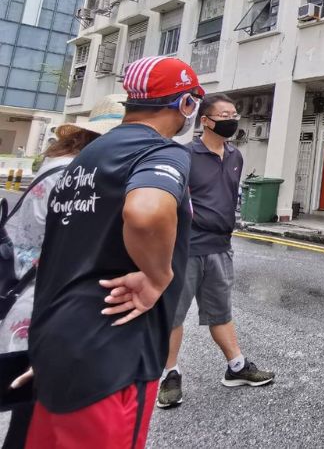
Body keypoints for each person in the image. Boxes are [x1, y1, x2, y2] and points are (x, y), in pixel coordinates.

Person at [24, 56, 203, 449]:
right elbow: (146, 211)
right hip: (113, 354)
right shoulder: (162, 152)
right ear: (185, 104)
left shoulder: (84, 158)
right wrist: (158, 275)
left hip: (56, 340)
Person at [0, 96, 124, 449]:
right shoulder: (80, 175)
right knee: (41, 410)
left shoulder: (57, 164)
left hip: (25, 294)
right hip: (48, 301)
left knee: (31, 411)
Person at [157, 93, 273, 409]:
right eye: (224, 114)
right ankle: (169, 375)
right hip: (187, 248)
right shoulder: (183, 155)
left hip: (221, 247)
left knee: (220, 312)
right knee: (174, 316)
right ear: (205, 120)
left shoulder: (235, 155)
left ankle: (236, 367)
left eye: (234, 113)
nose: (231, 119)